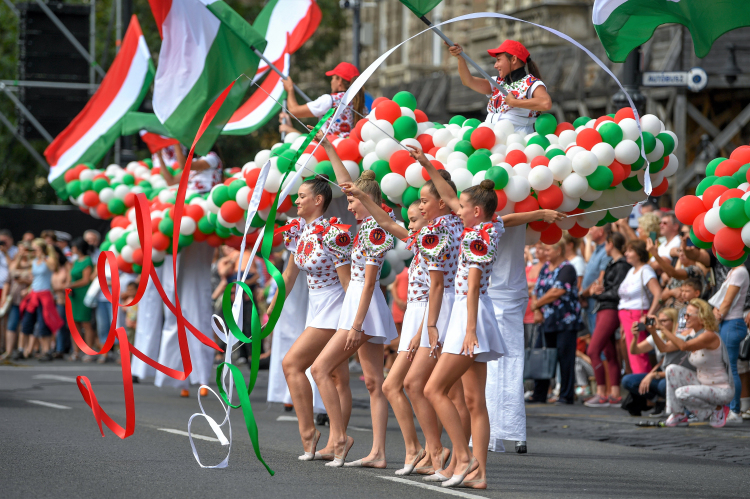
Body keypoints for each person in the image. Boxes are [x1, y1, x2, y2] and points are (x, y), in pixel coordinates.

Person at [343, 158, 467, 478]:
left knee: (426, 387)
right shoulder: (425, 237)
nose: (416, 216)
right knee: (400, 385)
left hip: (434, 313)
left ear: (441, 202)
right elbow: (387, 222)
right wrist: (366, 197)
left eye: (423, 204)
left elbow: (437, 285)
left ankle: (441, 452)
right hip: (420, 314)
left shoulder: (449, 226)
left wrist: (426, 163)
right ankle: (428, 450)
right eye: (413, 214)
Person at [310, 137, 398, 469]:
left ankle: (340, 438)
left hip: (365, 308)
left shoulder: (376, 230)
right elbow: (342, 180)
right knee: (375, 381)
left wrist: (358, 323)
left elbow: (371, 281)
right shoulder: (365, 226)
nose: (348, 206)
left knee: (321, 367)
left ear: (368, 200)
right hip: (359, 305)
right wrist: (329, 147)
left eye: (353, 202)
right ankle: (377, 452)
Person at [423, 179, 506, 489]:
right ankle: (479, 474)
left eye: (462, 207)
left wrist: (469, 330)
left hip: (469, 316)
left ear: (476, 210)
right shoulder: (493, 228)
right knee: (474, 401)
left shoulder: (475, 237)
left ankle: (463, 455)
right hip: (476, 313)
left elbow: (471, 286)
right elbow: (503, 219)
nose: (457, 211)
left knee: (434, 389)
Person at [269, 174, 353, 461]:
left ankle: (312, 434)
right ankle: (335, 440)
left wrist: (355, 319)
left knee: (292, 363)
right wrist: (274, 306)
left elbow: (347, 282)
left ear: (318, 200)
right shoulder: (297, 232)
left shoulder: (333, 233)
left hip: (335, 306)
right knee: (336, 375)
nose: (296, 200)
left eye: (302, 196)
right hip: (315, 307)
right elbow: (289, 276)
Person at [155, 145, 222, 397]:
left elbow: (186, 166)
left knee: (196, 302)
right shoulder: (193, 164)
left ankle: (201, 375)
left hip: (200, 219)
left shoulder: (212, 158)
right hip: (183, 220)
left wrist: (176, 146)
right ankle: (182, 377)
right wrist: (161, 154)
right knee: (177, 304)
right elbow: (172, 179)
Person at [448, 40, 552, 133]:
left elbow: (546, 103)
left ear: (514, 59)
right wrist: (460, 58)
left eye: (498, 60)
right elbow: (468, 81)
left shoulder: (532, 83)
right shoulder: (497, 82)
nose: (495, 65)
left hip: (516, 141)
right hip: (491, 139)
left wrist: (514, 102)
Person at [663, 299, 734, 428]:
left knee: (681, 393)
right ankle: (678, 413)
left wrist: (663, 329)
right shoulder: (693, 334)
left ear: (701, 318)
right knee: (671, 369)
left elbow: (683, 346)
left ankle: (717, 409)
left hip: (721, 390)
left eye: (689, 315)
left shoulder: (709, 336)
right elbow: (665, 347)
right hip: (704, 386)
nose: (686, 317)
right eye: (685, 314)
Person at [529, 240, 583, 405]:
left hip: (565, 320)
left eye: (548, 249)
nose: (545, 253)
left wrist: (537, 304)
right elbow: (536, 290)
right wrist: (537, 310)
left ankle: (566, 395)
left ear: (559, 250)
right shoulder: (545, 268)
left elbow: (557, 291)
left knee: (565, 358)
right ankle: (540, 393)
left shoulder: (567, 268)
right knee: (541, 354)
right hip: (547, 320)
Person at [585, 231, 631, 407]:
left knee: (593, 350)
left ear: (611, 243)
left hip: (609, 308)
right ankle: (614, 393)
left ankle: (601, 391)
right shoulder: (614, 263)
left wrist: (599, 292)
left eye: (607, 244)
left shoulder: (620, 265)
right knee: (609, 352)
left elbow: (618, 291)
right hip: (605, 307)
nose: (605, 246)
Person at [620, 308, 693, 416]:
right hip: (662, 375)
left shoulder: (680, 337)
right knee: (627, 380)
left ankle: (679, 406)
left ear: (673, 321)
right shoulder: (658, 334)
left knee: (662, 386)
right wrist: (635, 338)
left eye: (664, 321)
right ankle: (659, 401)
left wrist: (653, 375)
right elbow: (635, 350)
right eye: (659, 320)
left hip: (677, 376)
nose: (659, 323)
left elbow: (664, 348)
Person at [709, 264, 749, 423]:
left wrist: (716, 318)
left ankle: (735, 410)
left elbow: (726, 302)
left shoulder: (739, 271)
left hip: (732, 322)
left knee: (731, 368)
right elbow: (720, 301)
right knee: (727, 368)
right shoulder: (733, 271)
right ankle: (729, 409)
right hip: (727, 322)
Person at [281, 62, 365, 138]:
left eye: (332, 78)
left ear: (339, 80)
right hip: (350, 147)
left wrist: (290, 90)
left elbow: (294, 111)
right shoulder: (361, 104)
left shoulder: (330, 100)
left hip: (329, 149)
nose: (331, 82)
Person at [617, 240, 662, 374]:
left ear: (639, 253)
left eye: (630, 250)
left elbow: (658, 294)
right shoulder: (631, 270)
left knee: (638, 354)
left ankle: (642, 384)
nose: (626, 253)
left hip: (637, 316)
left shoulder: (646, 270)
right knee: (630, 353)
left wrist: (648, 315)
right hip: (626, 316)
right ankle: (636, 383)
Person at [19, 239, 62, 359]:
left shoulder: (48, 260)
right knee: (27, 322)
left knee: (44, 323)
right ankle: (22, 349)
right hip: (34, 294)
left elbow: (54, 267)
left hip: (45, 295)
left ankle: (46, 350)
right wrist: (21, 255)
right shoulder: (33, 261)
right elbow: (19, 268)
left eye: (36, 248)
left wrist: (44, 255)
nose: (34, 251)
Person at [648, 236, 705, 309]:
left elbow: (673, 273)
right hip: (668, 313)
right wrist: (671, 292)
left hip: (685, 315)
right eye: (680, 251)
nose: (681, 254)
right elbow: (661, 298)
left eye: (684, 251)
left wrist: (656, 255)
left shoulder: (696, 270)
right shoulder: (678, 270)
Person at [67, 238, 96, 361]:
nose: (72, 249)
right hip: (74, 295)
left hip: (83, 294)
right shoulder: (75, 261)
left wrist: (70, 285)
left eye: (74, 247)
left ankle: (88, 351)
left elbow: (86, 279)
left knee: (86, 323)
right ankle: (76, 351)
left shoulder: (87, 260)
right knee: (74, 324)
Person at [580, 225, 611, 335]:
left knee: (598, 339)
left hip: (596, 302)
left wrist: (583, 294)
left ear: (601, 231)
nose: (589, 232)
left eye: (591, 229)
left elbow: (600, 278)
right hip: (589, 302)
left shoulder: (606, 251)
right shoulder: (597, 249)